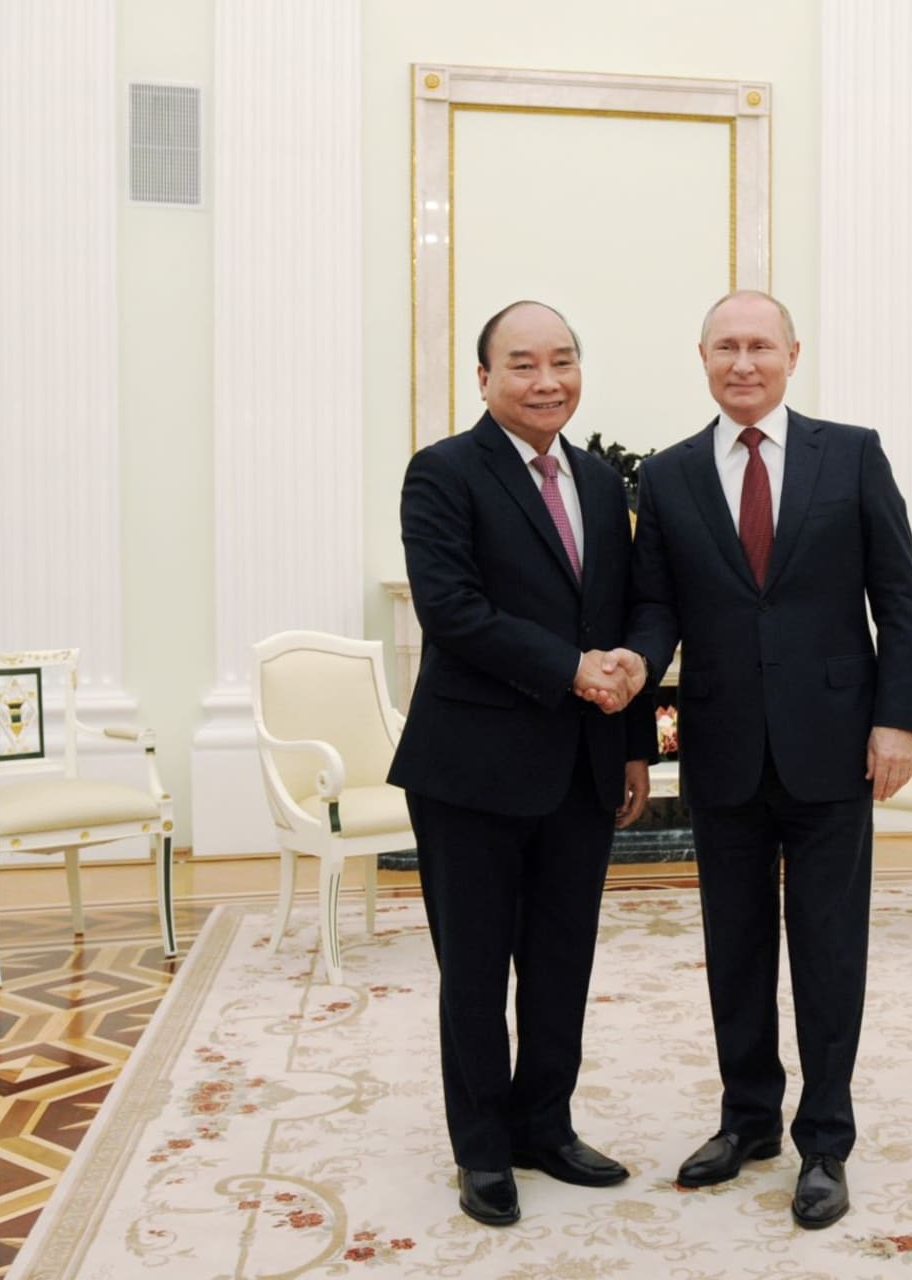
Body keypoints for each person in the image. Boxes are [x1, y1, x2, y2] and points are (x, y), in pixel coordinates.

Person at [619, 289, 912, 1229]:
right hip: (722, 749)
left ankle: (824, 1140)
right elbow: (654, 615)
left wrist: (897, 721)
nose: (743, 363)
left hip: (836, 747)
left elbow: (899, 598)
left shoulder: (855, 453)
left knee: (829, 952)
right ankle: (747, 1118)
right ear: (702, 358)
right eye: (725, 348)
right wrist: (637, 725)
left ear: (793, 353)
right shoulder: (667, 477)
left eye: (760, 346)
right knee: (736, 948)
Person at [389, 300, 654, 1228]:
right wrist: (571, 670)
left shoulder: (597, 477)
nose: (549, 382)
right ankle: (484, 1148)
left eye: (564, 362)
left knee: (559, 961)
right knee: (474, 967)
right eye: (525, 365)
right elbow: (450, 610)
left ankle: (547, 1124)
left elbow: (618, 621)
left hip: (582, 766)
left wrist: (632, 744)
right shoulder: (444, 472)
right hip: (470, 769)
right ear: (484, 378)